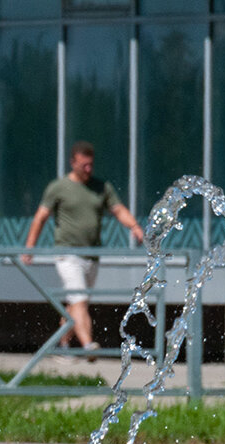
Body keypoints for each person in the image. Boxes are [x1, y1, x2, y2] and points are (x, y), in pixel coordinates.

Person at [22, 141, 145, 358]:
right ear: (73, 163)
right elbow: (40, 218)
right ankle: (88, 345)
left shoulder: (101, 187)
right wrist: (29, 247)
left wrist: (134, 226)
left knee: (75, 304)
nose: (88, 170)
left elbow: (118, 210)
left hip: (92, 255)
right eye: (83, 166)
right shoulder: (58, 188)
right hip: (67, 254)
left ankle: (63, 344)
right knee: (79, 299)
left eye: (90, 165)